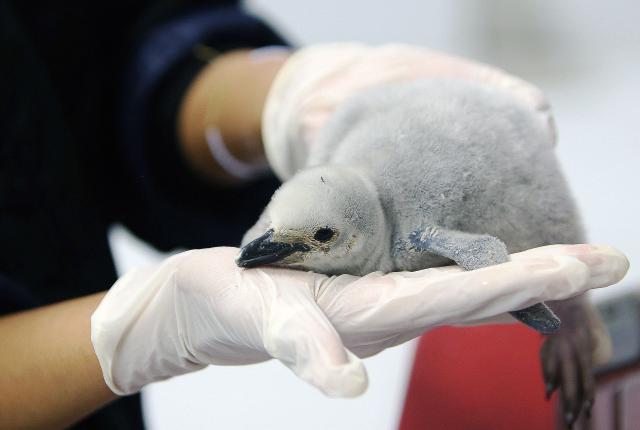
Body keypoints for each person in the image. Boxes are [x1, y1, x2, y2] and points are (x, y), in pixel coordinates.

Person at [0, 1, 629, 429]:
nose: (273, 247)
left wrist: (263, 101)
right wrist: (139, 331)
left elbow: (101, 50)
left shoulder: (411, 231)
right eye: (277, 231)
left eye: (311, 236)